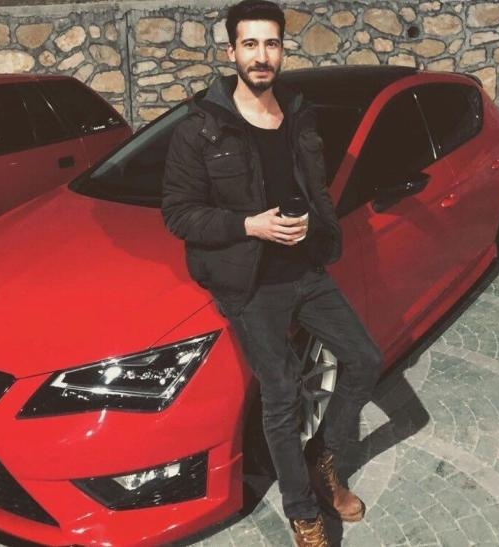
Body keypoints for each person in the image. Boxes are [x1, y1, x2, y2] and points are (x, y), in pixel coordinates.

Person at [162, 1, 382, 544]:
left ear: (283, 50)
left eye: (272, 44)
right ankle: (302, 511)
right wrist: (250, 225)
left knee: (364, 358)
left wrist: (319, 228)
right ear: (231, 52)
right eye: (251, 44)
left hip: (306, 268)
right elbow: (179, 214)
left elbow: (314, 186)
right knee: (281, 394)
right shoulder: (200, 129)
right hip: (252, 282)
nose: (262, 56)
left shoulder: (298, 115)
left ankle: (323, 460)